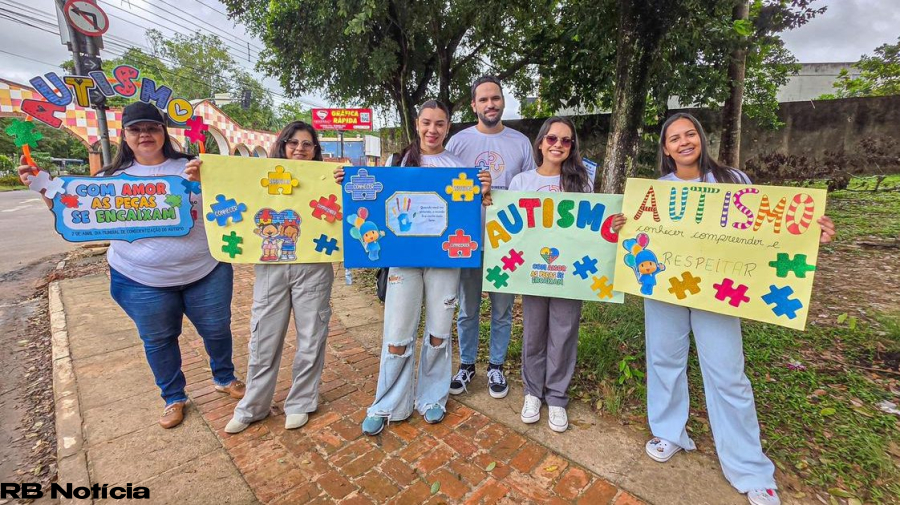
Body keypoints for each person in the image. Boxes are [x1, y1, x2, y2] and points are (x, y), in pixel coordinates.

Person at [610, 113, 836, 505]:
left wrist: (811, 232)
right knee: (664, 360)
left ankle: (750, 469)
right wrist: (620, 226)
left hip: (719, 291)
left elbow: (768, 230)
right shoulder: (653, 192)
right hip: (664, 289)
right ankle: (669, 432)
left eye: (690, 134)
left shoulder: (733, 181)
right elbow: (634, 238)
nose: (683, 142)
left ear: (701, 138)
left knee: (728, 374)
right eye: (674, 138)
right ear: (665, 148)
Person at [20, 101, 245, 429]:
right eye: (136, 129)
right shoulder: (109, 179)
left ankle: (225, 378)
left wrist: (211, 178)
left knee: (216, 329)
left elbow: (235, 199)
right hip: (139, 279)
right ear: (125, 135)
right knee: (158, 339)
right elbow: (74, 209)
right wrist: (40, 185)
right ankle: (173, 397)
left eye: (152, 127)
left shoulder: (194, 166)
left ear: (163, 132)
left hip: (205, 271)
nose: (145, 134)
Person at [334, 100, 491, 436]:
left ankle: (433, 397)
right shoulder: (396, 162)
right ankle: (389, 402)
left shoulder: (458, 168)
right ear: (416, 124)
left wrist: (485, 194)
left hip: (445, 262)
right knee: (397, 333)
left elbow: (471, 220)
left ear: (448, 127)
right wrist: (347, 184)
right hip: (403, 260)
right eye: (426, 122)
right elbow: (369, 200)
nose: (432, 130)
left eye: (440, 124)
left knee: (438, 332)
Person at [210, 121, 336, 433]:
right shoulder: (259, 177)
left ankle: (302, 401)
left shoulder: (327, 179)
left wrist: (344, 182)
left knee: (312, 335)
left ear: (315, 150)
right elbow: (228, 185)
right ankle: (254, 405)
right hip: (270, 267)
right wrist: (203, 173)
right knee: (263, 337)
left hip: (315, 265)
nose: (300, 149)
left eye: (307, 144)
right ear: (282, 145)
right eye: (293, 142)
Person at [446, 75, 536, 399]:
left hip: (506, 243)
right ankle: (467, 364)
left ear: (503, 101)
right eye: (483, 99)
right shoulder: (458, 142)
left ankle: (496, 365)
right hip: (467, 240)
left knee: (502, 309)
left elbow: (530, 190)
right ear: (474, 105)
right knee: (468, 308)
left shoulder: (521, 143)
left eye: (495, 98)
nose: (490, 104)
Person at [509, 117, 591, 433]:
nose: (558, 144)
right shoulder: (521, 182)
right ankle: (533, 392)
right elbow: (509, 228)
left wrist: (611, 226)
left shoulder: (581, 183)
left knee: (564, 332)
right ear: (541, 142)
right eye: (552, 138)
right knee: (533, 331)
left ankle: (556, 397)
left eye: (566, 140)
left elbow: (592, 229)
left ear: (572, 148)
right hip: (533, 270)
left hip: (570, 272)